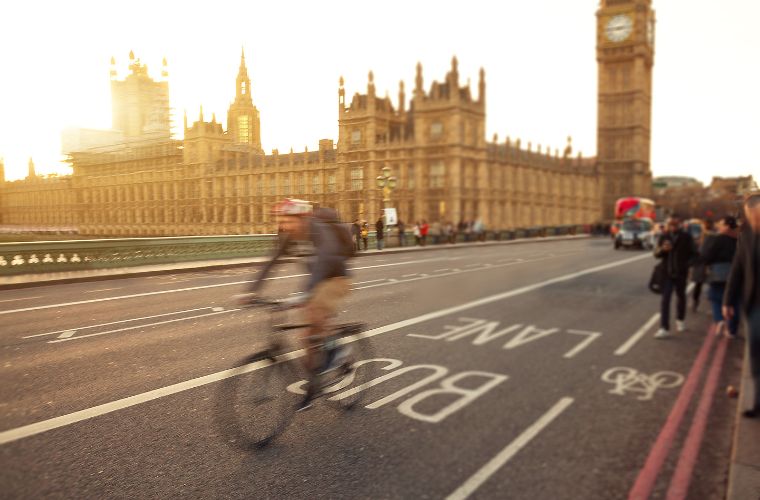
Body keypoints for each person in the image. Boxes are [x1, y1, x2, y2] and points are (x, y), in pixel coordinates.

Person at [242, 199, 352, 410]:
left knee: (315, 310)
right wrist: (251, 291)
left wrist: (305, 294)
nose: (284, 226)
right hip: (316, 281)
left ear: (303, 218)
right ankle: (313, 388)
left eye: (289, 221)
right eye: (281, 221)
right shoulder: (287, 237)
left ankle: (338, 350)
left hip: (336, 278)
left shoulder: (319, 230)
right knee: (307, 340)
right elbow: (271, 262)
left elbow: (324, 261)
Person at [724, 192, 760, 418]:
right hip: (754, 305)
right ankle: (757, 403)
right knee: (756, 354)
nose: (755, 221)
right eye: (752, 217)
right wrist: (728, 300)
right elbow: (737, 269)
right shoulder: (746, 235)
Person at [654, 214, 697, 339]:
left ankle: (680, 319)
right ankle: (664, 328)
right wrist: (663, 250)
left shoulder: (686, 237)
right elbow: (656, 254)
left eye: (675, 224)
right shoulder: (664, 236)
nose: (672, 226)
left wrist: (686, 265)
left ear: (680, 224)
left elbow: (695, 255)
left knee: (681, 297)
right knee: (665, 299)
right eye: (670, 224)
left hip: (680, 273)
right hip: (666, 273)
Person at [702, 216, 740, 337]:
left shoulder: (717, 239)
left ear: (727, 226)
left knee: (715, 297)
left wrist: (706, 265)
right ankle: (732, 330)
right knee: (734, 301)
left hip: (718, 272)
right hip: (736, 273)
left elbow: (708, 255)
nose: (719, 226)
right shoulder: (739, 240)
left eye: (721, 224)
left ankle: (720, 320)